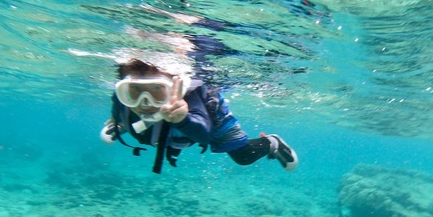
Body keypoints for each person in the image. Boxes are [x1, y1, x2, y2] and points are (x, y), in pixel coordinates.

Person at [100, 58, 298, 174]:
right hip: (160, 123)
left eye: (157, 90)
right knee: (130, 111)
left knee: (243, 157)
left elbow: (203, 135)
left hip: (206, 119)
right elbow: (118, 99)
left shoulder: (191, 97)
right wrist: (116, 118)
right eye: (133, 91)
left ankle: (273, 142)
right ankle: (123, 125)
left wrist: (182, 119)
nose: (146, 103)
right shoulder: (122, 96)